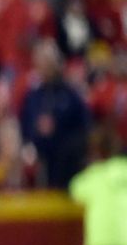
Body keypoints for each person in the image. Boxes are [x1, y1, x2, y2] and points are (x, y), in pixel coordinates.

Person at [20, 39, 90, 189]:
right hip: (39, 163)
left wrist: (56, 127)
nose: (44, 66)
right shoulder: (33, 96)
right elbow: (25, 127)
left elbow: (84, 128)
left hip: (67, 165)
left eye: (48, 61)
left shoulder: (71, 95)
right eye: (41, 62)